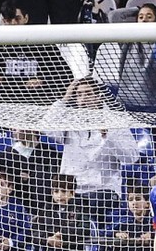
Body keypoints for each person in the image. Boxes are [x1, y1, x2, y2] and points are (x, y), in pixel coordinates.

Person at [43, 77, 139, 230]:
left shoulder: (115, 121)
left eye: (88, 93)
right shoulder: (70, 120)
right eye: (79, 94)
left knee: (79, 206)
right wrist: (65, 99)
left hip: (103, 190)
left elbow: (131, 157)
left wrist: (109, 136)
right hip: (71, 190)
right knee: (45, 211)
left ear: (99, 95)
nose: (83, 98)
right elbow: (46, 127)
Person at [0, 1, 74, 105]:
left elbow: (67, 78)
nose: (13, 23)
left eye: (17, 19)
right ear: (4, 21)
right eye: (9, 20)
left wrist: (43, 80)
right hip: (6, 104)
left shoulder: (43, 44)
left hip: (39, 105)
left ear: (26, 18)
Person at [93, 3, 156, 113]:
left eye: (149, 17)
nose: (144, 20)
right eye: (141, 17)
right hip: (130, 100)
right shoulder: (128, 39)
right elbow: (114, 16)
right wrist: (136, 9)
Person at [0, 129, 61, 217]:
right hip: (15, 213)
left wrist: (33, 178)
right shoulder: (4, 156)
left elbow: (54, 183)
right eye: (12, 129)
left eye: (16, 128)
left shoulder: (51, 154)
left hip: (44, 211)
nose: (13, 131)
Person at [31, 173, 90, 251]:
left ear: (72, 193)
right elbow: (35, 232)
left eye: (63, 191)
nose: (59, 195)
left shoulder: (80, 209)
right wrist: (48, 239)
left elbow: (84, 229)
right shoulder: (46, 209)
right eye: (56, 191)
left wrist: (61, 235)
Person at [104, 178, 153, 251]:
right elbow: (105, 232)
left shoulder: (154, 222)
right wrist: (116, 234)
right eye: (130, 200)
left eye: (138, 199)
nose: (134, 203)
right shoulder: (124, 223)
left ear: (147, 203)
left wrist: (152, 235)